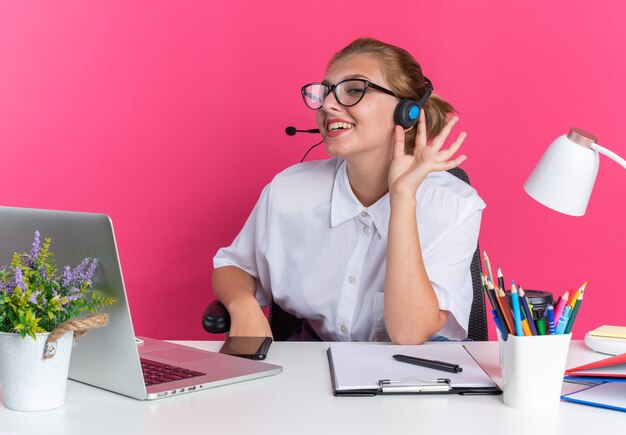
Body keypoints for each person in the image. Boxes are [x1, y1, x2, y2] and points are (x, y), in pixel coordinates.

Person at [212, 37, 485, 344]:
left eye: (354, 90)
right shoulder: (289, 190)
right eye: (325, 92)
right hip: (315, 361)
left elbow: (409, 334)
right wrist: (243, 305)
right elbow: (234, 265)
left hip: (419, 370)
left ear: (406, 112)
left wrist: (403, 198)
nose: (328, 105)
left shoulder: (453, 204)